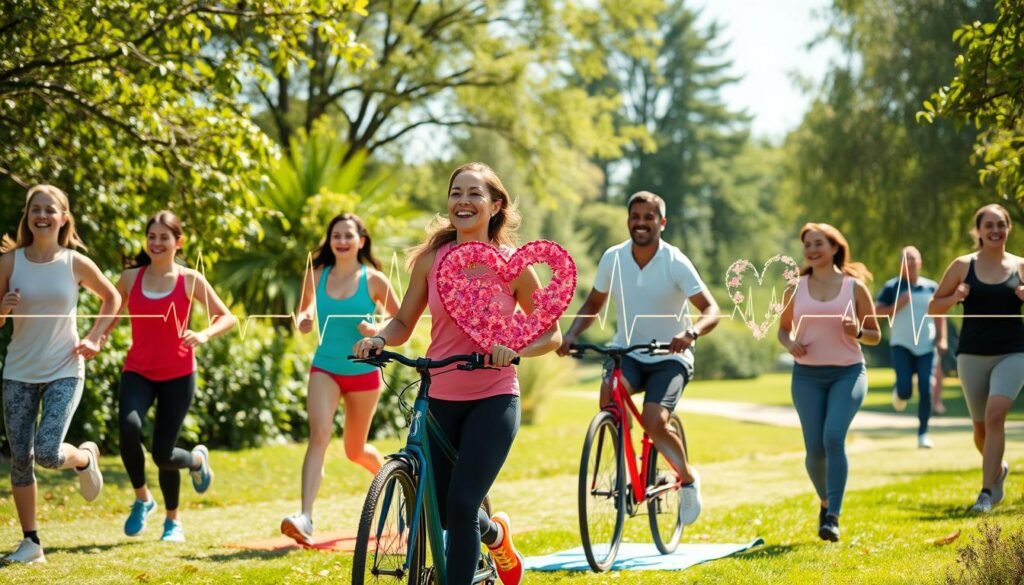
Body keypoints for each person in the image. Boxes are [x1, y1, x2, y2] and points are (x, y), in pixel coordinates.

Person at [353, 162, 561, 585]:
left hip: (494, 397)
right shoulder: (431, 260)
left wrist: (514, 348)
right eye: (456, 193)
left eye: (474, 194)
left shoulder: (513, 265)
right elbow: (403, 323)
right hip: (439, 394)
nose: (463, 202)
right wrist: (379, 337)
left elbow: (551, 335)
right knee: (445, 511)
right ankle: (496, 536)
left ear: (495, 204)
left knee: (463, 503)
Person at [557, 190, 720, 528]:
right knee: (609, 397)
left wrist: (691, 334)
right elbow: (593, 305)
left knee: (654, 419)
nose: (641, 223)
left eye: (649, 217)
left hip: (669, 356)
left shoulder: (675, 261)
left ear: (662, 222)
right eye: (635, 217)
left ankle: (688, 479)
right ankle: (624, 467)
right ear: (628, 221)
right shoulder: (613, 258)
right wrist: (571, 335)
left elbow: (711, 309)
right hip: (627, 352)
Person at [0, 184, 121, 563]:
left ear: (63, 217)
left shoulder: (74, 262)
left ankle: (85, 458)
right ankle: (32, 543)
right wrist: (3, 308)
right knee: (21, 458)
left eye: (50, 210)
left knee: (48, 453)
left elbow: (113, 298)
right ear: (27, 215)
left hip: (64, 369)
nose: (42, 215)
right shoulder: (8, 262)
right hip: (18, 371)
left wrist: (96, 337)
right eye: (35, 209)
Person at [113, 211, 236, 542]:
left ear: (178, 242)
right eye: (151, 236)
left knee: (163, 454)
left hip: (178, 374)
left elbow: (227, 317)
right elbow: (109, 312)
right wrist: (95, 337)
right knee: (129, 427)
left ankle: (175, 515)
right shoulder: (129, 278)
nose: (156, 243)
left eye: (164, 237)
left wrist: (206, 334)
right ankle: (143, 499)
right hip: (138, 369)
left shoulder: (189, 279)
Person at [281, 213, 400, 545]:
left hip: (363, 371)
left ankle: (399, 488)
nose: (342, 241)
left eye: (349, 235)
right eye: (336, 235)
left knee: (355, 450)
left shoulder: (374, 279)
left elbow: (399, 318)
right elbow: (305, 310)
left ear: (361, 241)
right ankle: (305, 517)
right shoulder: (316, 274)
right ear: (329, 241)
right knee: (318, 435)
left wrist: (376, 330)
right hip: (326, 367)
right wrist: (304, 320)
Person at [777, 223, 880, 542]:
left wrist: (858, 332)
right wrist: (789, 343)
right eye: (807, 244)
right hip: (806, 375)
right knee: (814, 449)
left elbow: (875, 335)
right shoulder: (795, 287)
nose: (811, 249)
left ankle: (832, 515)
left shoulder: (854, 287)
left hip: (847, 372)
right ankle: (825, 500)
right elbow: (782, 329)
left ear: (834, 247)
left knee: (833, 437)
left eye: (818, 243)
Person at [928, 203, 1022, 513]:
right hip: (971, 354)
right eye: (989, 225)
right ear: (978, 231)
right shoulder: (962, 265)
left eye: (1001, 224)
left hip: (1013, 352)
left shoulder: (1021, 266)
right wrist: (955, 297)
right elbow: (933, 307)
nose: (995, 230)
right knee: (981, 429)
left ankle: (985, 493)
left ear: (1008, 228)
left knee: (996, 416)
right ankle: (999, 469)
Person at [875, 246, 947, 448]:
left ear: (920, 262)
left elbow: (939, 313)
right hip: (901, 345)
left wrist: (942, 339)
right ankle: (900, 391)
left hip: (926, 345)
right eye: (907, 259)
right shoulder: (892, 287)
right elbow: (877, 312)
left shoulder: (931, 287)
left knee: (926, 387)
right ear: (900, 265)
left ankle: (923, 433)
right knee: (905, 391)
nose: (911, 262)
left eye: (914, 258)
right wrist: (898, 305)